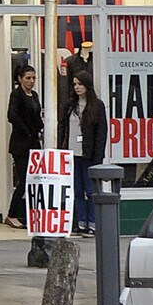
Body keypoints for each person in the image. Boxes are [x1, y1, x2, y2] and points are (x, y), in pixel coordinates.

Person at [58, 70, 108, 234]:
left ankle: (92, 223)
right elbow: (62, 127)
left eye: (80, 84)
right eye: (75, 84)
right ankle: (81, 222)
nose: (77, 87)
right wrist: (61, 149)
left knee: (90, 190)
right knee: (77, 190)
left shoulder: (97, 106)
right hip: (71, 154)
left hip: (88, 154)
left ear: (87, 85)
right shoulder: (69, 105)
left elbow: (101, 132)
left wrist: (98, 156)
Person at [5, 65, 43, 228]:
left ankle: (33, 214)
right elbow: (12, 115)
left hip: (34, 142)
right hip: (21, 144)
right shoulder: (16, 94)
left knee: (35, 179)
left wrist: (42, 127)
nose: (31, 81)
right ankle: (12, 214)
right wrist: (26, 131)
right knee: (24, 179)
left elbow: (36, 116)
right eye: (28, 78)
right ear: (20, 79)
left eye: (33, 78)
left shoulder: (34, 95)